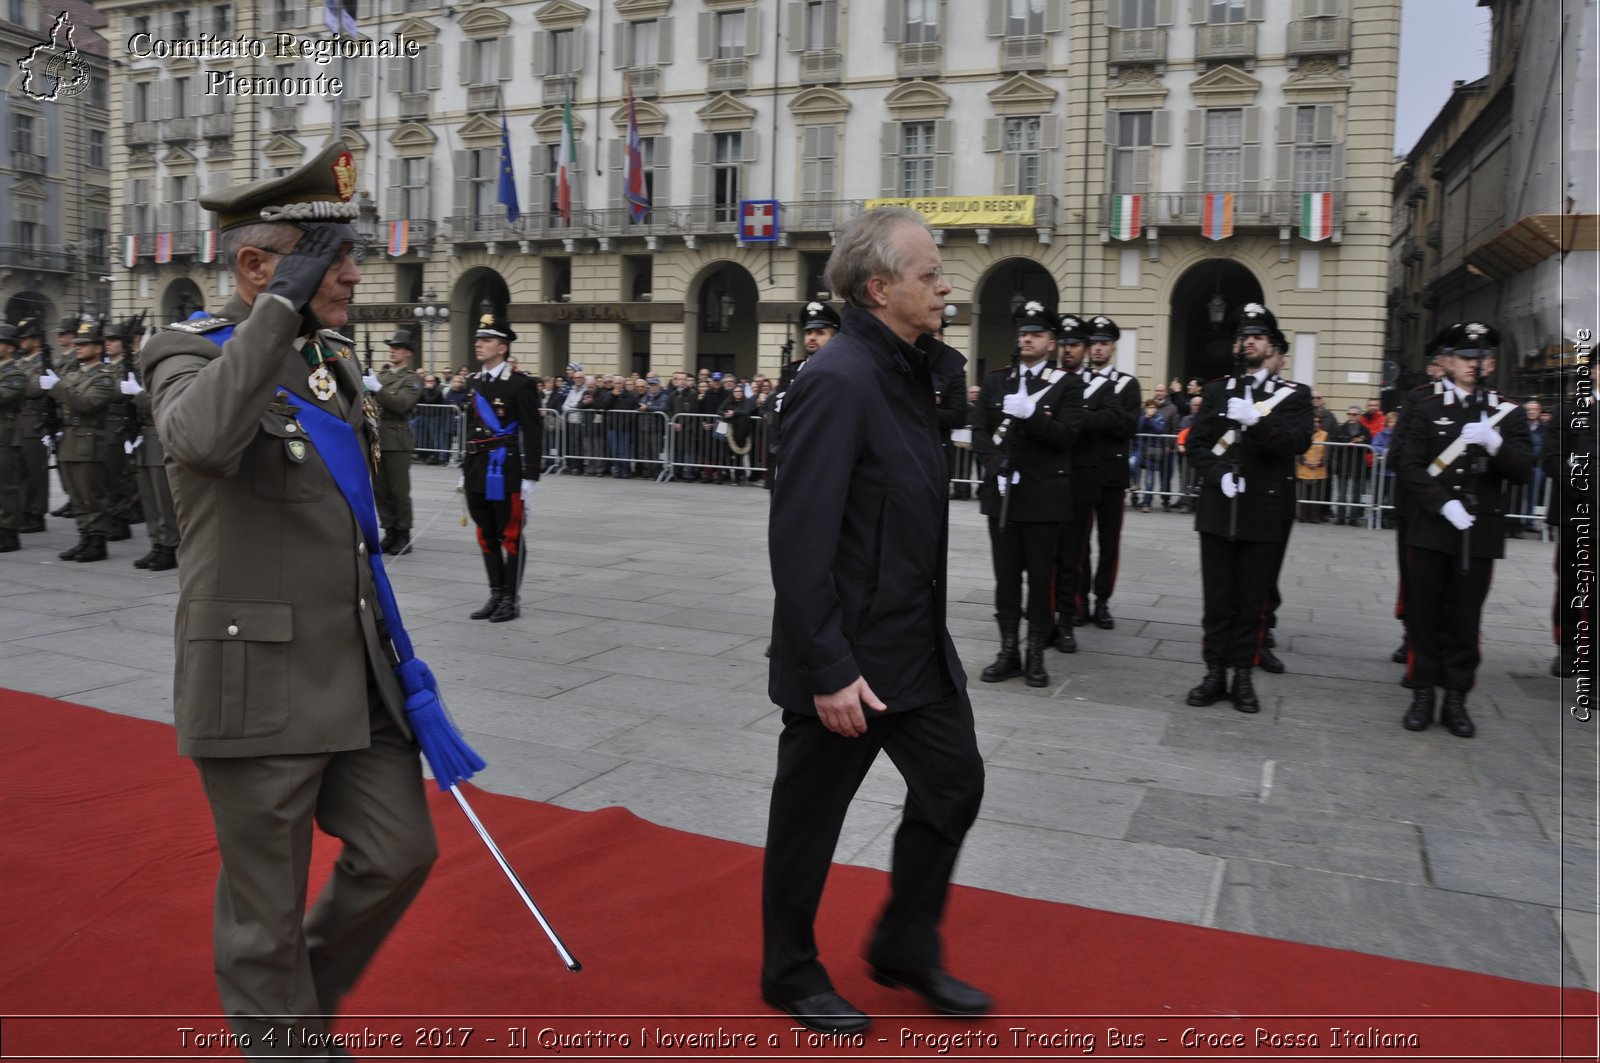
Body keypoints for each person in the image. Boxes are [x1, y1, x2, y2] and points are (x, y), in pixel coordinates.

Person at [141, 141, 440, 1055]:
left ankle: (295, 1001)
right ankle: (284, 1040)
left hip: (354, 672)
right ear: (255, 266)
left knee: (401, 851)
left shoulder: (331, 361)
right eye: (330, 258)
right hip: (256, 674)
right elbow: (200, 442)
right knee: (262, 911)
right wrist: (276, 311)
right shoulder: (183, 353)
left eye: (349, 254)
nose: (354, 272)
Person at [763, 207, 988, 1034]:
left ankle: (903, 944)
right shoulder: (838, 379)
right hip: (847, 654)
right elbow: (799, 536)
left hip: (913, 640)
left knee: (955, 784)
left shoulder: (907, 370)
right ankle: (787, 969)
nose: (945, 285)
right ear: (878, 287)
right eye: (929, 273)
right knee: (808, 819)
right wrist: (825, 668)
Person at [1396, 321, 1531, 737]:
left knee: (1465, 619)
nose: (1474, 365)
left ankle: (1456, 696)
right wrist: (1443, 501)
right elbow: (1407, 464)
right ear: (1449, 361)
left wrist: (1495, 445)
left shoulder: (1505, 412)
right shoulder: (1423, 405)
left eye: (1482, 358)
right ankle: (1423, 694)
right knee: (1424, 613)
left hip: (1480, 532)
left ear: (1490, 363)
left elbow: (1525, 469)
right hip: (1432, 528)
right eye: (1466, 358)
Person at [1184, 304, 1313, 714]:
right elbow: (1197, 444)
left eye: (1258, 337)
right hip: (1219, 509)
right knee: (1217, 598)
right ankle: (1214, 672)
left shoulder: (1294, 396)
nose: (1249, 342)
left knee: (1251, 598)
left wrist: (1257, 424)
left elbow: (1296, 444)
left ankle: (1242, 674)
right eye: (1243, 336)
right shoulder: (1219, 391)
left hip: (1263, 510)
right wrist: (1218, 473)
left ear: (1271, 347)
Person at [972, 301, 1084, 685]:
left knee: (1039, 580)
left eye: (1035, 334)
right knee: (1005, 579)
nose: (1027, 339)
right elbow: (979, 431)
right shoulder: (996, 381)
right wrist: (994, 464)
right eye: (1022, 333)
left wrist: (1032, 415)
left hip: (1043, 498)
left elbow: (1067, 437)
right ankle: (1008, 652)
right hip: (1002, 495)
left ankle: (1036, 653)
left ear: (1051, 342)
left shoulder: (1067, 384)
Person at [462, 313, 543, 623]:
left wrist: (531, 475)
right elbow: (471, 428)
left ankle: (511, 598)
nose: (479, 344)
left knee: (510, 536)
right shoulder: (473, 381)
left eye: (487, 340)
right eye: (478, 339)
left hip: (505, 470)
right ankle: (495, 594)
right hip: (476, 468)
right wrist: (463, 466)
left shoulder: (521, 385)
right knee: (486, 535)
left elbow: (533, 431)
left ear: (503, 347)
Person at [1062, 313, 1140, 630]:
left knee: (1109, 542)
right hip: (1080, 471)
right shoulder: (1072, 381)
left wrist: (1087, 419)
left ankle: (1103, 601)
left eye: (1103, 344)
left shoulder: (1125, 384)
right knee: (1079, 542)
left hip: (1111, 473)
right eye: (1093, 343)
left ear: (1113, 348)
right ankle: (1078, 601)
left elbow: (1126, 425)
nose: (1097, 349)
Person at [46, 322, 120, 562]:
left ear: (98, 349)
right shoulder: (74, 374)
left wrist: (57, 388)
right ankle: (84, 536)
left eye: (84, 344)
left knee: (92, 494)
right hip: (68, 440)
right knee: (77, 495)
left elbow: (87, 404)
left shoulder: (105, 378)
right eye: (77, 344)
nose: (78, 348)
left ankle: (97, 541)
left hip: (89, 441)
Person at [1546, 357, 1596, 677]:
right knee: (1572, 582)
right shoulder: (1569, 412)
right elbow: (1552, 459)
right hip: (1576, 512)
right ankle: (1567, 646)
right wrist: (1583, 490)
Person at [120, 325, 181, 571]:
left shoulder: (170, 371)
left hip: (159, 437)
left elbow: (164, 403)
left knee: (162, 497)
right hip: (143, 439)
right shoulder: (140, 370)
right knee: (148, 497)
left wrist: (138, 395)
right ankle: (156, 543)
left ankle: (168, 546)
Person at [369, 331, 425, 555]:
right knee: (380, 489)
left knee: (399, 490)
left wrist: (376, 389)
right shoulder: (382, 378)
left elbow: (401, 404)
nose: (392, 350)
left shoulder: (412, 380)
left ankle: (403, 533)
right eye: (391, 346)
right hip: (377, 438)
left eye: (398, 347)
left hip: (397, 438)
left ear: (408, 353)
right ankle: (389, 530)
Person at [0, 323, 26, 551]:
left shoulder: (15, 373)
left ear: (9, 347)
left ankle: (9, 532)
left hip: (5, 436)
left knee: (6, 485)